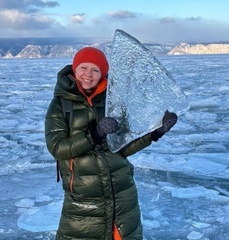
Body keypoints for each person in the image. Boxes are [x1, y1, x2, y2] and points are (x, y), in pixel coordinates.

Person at [45, 47, 177, 240]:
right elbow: (57, 149)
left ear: (103, 74)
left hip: (122, 195)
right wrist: (94, 134)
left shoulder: (113, 103)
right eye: (83, 67)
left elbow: (124, 147)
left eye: (95, 70)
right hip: (84, 200)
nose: (88, 74)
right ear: (74, 69)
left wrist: (157, 131)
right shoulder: (60, 106)